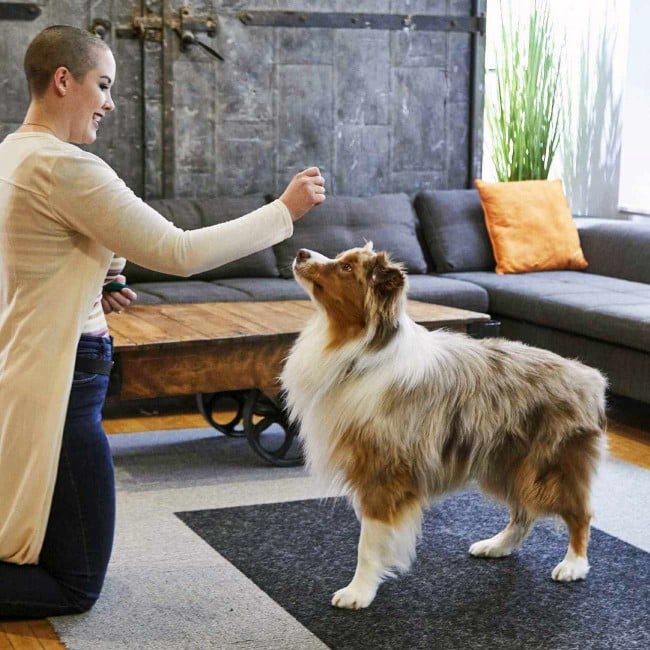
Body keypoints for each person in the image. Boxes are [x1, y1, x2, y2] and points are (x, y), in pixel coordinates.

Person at [0, 24, 325, 619]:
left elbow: (35, 256)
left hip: (32, 363)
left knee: (45, 540)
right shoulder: (66, 167)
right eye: (103, 84)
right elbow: (178, 252)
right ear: (63, 80)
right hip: (64, 379)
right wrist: (284, 212)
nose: (109, 101)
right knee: (74, 586)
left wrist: (100, 277)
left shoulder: (11, 155)